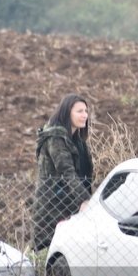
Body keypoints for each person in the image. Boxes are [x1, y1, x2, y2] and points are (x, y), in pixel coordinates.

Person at [32, 94, 95, 252]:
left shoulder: (78, 140)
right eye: (79, 111)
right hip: (53, 209)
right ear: (67, 113)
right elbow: (67, 173)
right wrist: (86, 201)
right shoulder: (55, 138)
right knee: (50, 255)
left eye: (86, 111)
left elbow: (84, 176)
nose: (85, 115)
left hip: (73, 209)